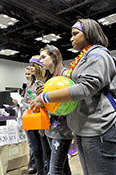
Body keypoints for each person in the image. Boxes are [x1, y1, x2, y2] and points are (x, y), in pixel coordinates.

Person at [31, 19, 116, 175]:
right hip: (85, 128)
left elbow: (86, 87)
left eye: (75, 34)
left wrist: (45, 97)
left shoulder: (98, 54)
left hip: (99, 127)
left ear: (89, 33)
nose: (71, 38)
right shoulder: (84, 57)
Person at [36, 44, 73, 175]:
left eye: (43, 57)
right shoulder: (48, 79)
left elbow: (72, 99)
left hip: (62, 128)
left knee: (55, 170)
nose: (40, 61)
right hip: (50, 127)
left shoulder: (67, 74)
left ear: (54, 57)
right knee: (63, 167)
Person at [23, 56, 51, 175]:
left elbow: (48, 104)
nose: (31, 68)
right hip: (31, 121)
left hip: (42, 122)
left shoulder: (46, 83)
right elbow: (25, 102)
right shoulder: (30, 84)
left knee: (46, 153)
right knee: (36, 152)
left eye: (33, 65)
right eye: (30, 65)